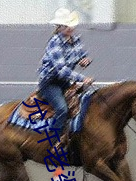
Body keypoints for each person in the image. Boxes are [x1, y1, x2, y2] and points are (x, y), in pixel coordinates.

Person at [38, 8, 93, 151]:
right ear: (59, 27)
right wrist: (83, 78)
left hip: (65, 81)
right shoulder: (55, 42)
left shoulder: (76, 40)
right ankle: (52, 141)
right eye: (65, 25)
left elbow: (82, 55)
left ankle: (74, 136)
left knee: (81, 104)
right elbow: (61, 70)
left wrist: (84, 60)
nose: (69, 28)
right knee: (62, 108)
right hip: (50, 82)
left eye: (70, 25)